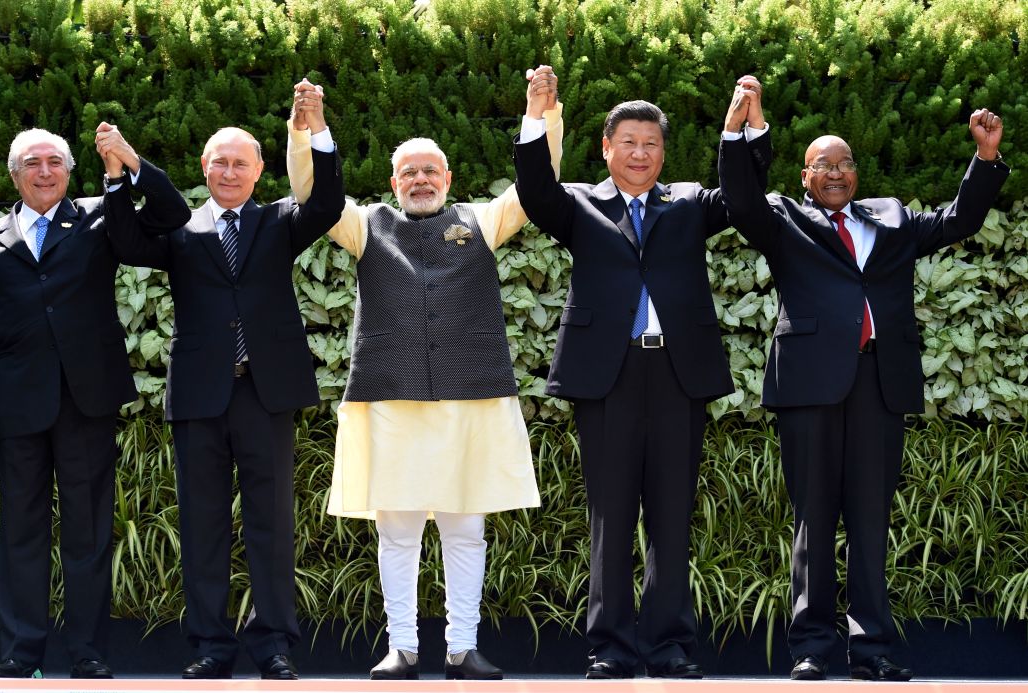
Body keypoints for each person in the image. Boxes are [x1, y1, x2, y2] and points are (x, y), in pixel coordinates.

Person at [719, 84, 1008, 681]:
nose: (837, 171)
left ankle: (872, 648)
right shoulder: (783, 218)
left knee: (870, 518)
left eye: (845, 162)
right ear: (805, 175)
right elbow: (740, 199)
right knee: (814, 517)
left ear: (857, 172)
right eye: (824, 163)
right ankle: (813, 648)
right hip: (810, 386)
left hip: (880, 382)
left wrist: (984, 160)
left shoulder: (893, 217)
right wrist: (743, 129)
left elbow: (958, 220)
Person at [286, 76, 562, 680]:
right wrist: (309, 129)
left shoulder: (483, 222)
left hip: (472, 401)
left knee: (466, 532)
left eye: (430, 171)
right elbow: (313, 192)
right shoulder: (364, 226)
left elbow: (535, 189)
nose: (420, 180)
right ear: (393, 183)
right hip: (390, 401)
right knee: (399, 534)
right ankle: (403, 649)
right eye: (409, 172)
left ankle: (463, 648)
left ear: (448, 180)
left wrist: (540, 117)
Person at [513, 68, 771, 680]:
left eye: (650, 144)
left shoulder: (689, 203)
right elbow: (535, 191)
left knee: (672, 512)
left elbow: (744, 196)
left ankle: (669, 645)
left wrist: (741, 129)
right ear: (606, 148)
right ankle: (610, 646)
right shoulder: (579, 204)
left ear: (663, 151)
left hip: (678, 372)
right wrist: (535, 115)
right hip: (608, 374)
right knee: (610, 513)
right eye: (628, 142)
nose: (639, 153)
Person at [99, 80, 345, 680]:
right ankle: (210, 644)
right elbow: (126, 240)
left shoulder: (281, 222)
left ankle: (274, 646)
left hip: (265, 393)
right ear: (204, 169)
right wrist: (119, 173)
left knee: (271, 526)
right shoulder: (179, 229)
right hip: (201, 396)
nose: (230, 171)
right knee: (202, 524)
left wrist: (316, 128)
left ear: (260, 170)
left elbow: (329, 203)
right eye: (220, 162)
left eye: (241, 162)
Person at [0, 125, 191, 679]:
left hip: (86, 399)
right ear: (15, 175)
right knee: (20, 529)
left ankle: (88, 651)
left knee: (87, 530)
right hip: (19, 404)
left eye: (55, 161)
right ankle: (20, 651)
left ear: (68, 170)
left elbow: (171, 215)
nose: (44, 171)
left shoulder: (99, 215)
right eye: (32, 163)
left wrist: (127, 162)